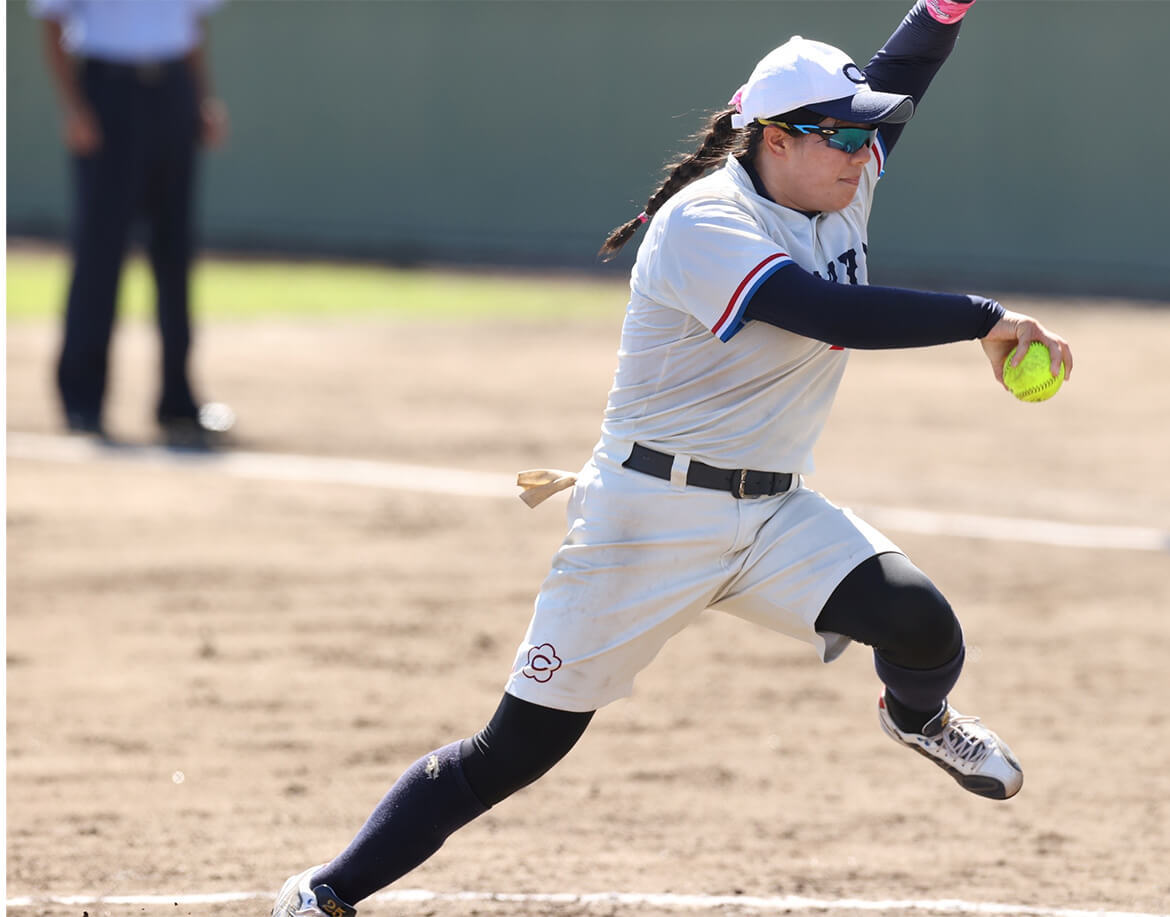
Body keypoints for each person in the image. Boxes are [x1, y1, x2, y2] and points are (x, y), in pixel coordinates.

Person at [272, 2, 1074, 913]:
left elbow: (904, 73)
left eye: (868, 135)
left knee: (923, 624)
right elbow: (831, 314)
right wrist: (982, 316)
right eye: (840, 135)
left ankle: (915, 716)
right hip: (645, 520)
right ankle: (323, 892)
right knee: (511, 754)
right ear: (771, 137)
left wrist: (942, 11)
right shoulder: (705, 224)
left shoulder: (833, 178)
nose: (863, 150)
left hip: (773, 514)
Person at [33, 0, 235, 447]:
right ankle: (83, 400)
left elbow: (193, 26)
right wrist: (74, 108)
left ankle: (178, 400)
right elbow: (51, 23)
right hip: (109, 91)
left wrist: (202, 99)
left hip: (173, 92)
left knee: (175, 252)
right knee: (99, 253)